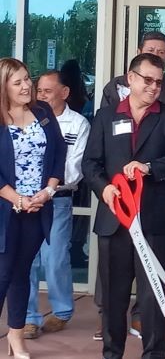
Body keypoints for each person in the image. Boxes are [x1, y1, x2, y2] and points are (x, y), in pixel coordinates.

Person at [82, 53, 165, 359]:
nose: (154, 87)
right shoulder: (106, 117)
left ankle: (154, 355)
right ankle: (111, 353)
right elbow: (90, 163)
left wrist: (149, 167)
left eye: (159, 82)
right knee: (114, 299)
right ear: (130, 78)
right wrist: (103, 188)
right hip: (114, 220)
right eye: (147, 80)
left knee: (153, 299)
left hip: (154, 222)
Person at [0, 58, 67, 359]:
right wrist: (18, 199)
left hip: (38, 208)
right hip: (6, 212)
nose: (27, 85)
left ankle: (16, 340)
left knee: (21, 274)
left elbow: (59, 151)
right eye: (18, 82)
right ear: (4, 88)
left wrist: (49, 189)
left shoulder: (42, 112)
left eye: (28, 78)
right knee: (2, 274)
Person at [24, 70, 91, 339]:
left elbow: (74, 170)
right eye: (38, 91)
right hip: (26, 200)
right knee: (27, 259)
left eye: (47, 91)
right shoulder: (28, 118)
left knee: (55, 259)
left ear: (64, 93)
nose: (40, 96)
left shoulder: (78, 124)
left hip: (58, 199)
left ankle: (62, 311)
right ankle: (28, 318)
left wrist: (47, 186)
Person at [101, 31, 165, 116]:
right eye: (150, 50)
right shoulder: (115, 86)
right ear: (139, 52)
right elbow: (104, 121)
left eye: (161, 52)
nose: (155, 55)